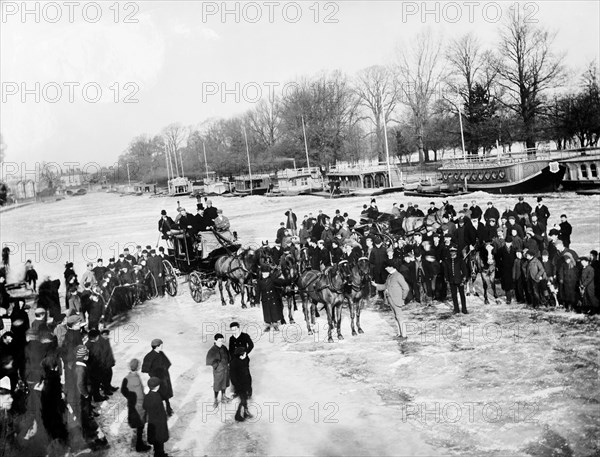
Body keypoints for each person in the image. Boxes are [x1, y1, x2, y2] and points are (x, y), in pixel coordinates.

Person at [372, 259, 410, 339]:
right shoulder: (389, 276)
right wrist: (375, 285)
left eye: (386, 268)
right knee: (396, 316)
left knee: (400, 317)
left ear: (391, 267)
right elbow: (385, 286)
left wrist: (402, 298)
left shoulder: (398, 276)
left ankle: (404, 335)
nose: (385, 269)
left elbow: (406, 288)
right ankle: (400, 334)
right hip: (390, 300)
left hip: (397, 300)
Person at [121, 359, 151, 452]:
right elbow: (140, 395)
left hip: (132, 404)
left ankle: (138, 441)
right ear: (138, 367)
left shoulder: (126, 378)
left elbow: (123, 390)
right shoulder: (137, 379)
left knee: (136, 422)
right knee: (140, 426)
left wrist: (130, 398)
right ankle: (139, 445)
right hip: (139, 407)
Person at [142, 339, 174, 417]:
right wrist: (155, 374)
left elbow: (167, 364)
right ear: (157, 346)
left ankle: (168, 408)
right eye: (161, 345)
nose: (162, 347)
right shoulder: (150, 356)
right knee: (158, 395)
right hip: (157, 380)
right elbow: (145, 369)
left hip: (164, 378)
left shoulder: (160, 354)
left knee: (165, 394)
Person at [256, 265, 290, 332]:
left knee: (274, 312)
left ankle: (275, 325)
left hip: (273, 298)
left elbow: (280, 282)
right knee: (267, 312)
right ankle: (268, 325)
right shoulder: (260, 281)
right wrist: (257, 301)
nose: (266, 274)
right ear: (262, 273)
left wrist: (288, 281)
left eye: (267, 272)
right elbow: (258, 291)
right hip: (265, 299)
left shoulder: (272, 279)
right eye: (264, 273)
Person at [144, 377, 169, 457]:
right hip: (159, 423)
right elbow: (161, 412)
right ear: (157, 386)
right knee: (160, 440)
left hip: (152, 421)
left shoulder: (147, 396)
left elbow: (145, 406)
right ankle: (160, 454)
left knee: (155, 439)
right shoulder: (157, 397)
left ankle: (156, 451)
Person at [205, 334, 230, 408]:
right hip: (218, 370)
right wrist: (217, 365)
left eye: (222, 341)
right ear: (215, 341)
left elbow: (228, 356)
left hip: (225, 369)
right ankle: (215, 399)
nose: (221, 342)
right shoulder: (212, 350)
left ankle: (223, 396)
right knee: (217, 384)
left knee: (224, 382)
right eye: (219, 341)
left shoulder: (224, 347)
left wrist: (227, 363)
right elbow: (210, 360)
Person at [229, 347, 253, 422]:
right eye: (245, 353)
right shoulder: (234, 363)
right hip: (239, 385)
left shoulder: (244, 360)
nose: (246, 354)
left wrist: (249, 385)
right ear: (241, 354)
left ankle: (245, 413)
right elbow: (233, 376)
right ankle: (238, 415)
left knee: (244, 398)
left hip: (246, 383)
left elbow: (247, 373)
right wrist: (237, 386)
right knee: (243, 399)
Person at [443, 245, 468, 314]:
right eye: (451, 251)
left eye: (454, 251)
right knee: (454, 295)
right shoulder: (447, 261)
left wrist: (464, 278)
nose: (452, 253)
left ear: (456, 252)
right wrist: (447, 279)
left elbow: (464, 270)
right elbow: (446, 271)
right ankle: (456, 309)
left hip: (460, 280)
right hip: (452, 280)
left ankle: (464, 309)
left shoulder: (460, 260)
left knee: (462, 295)